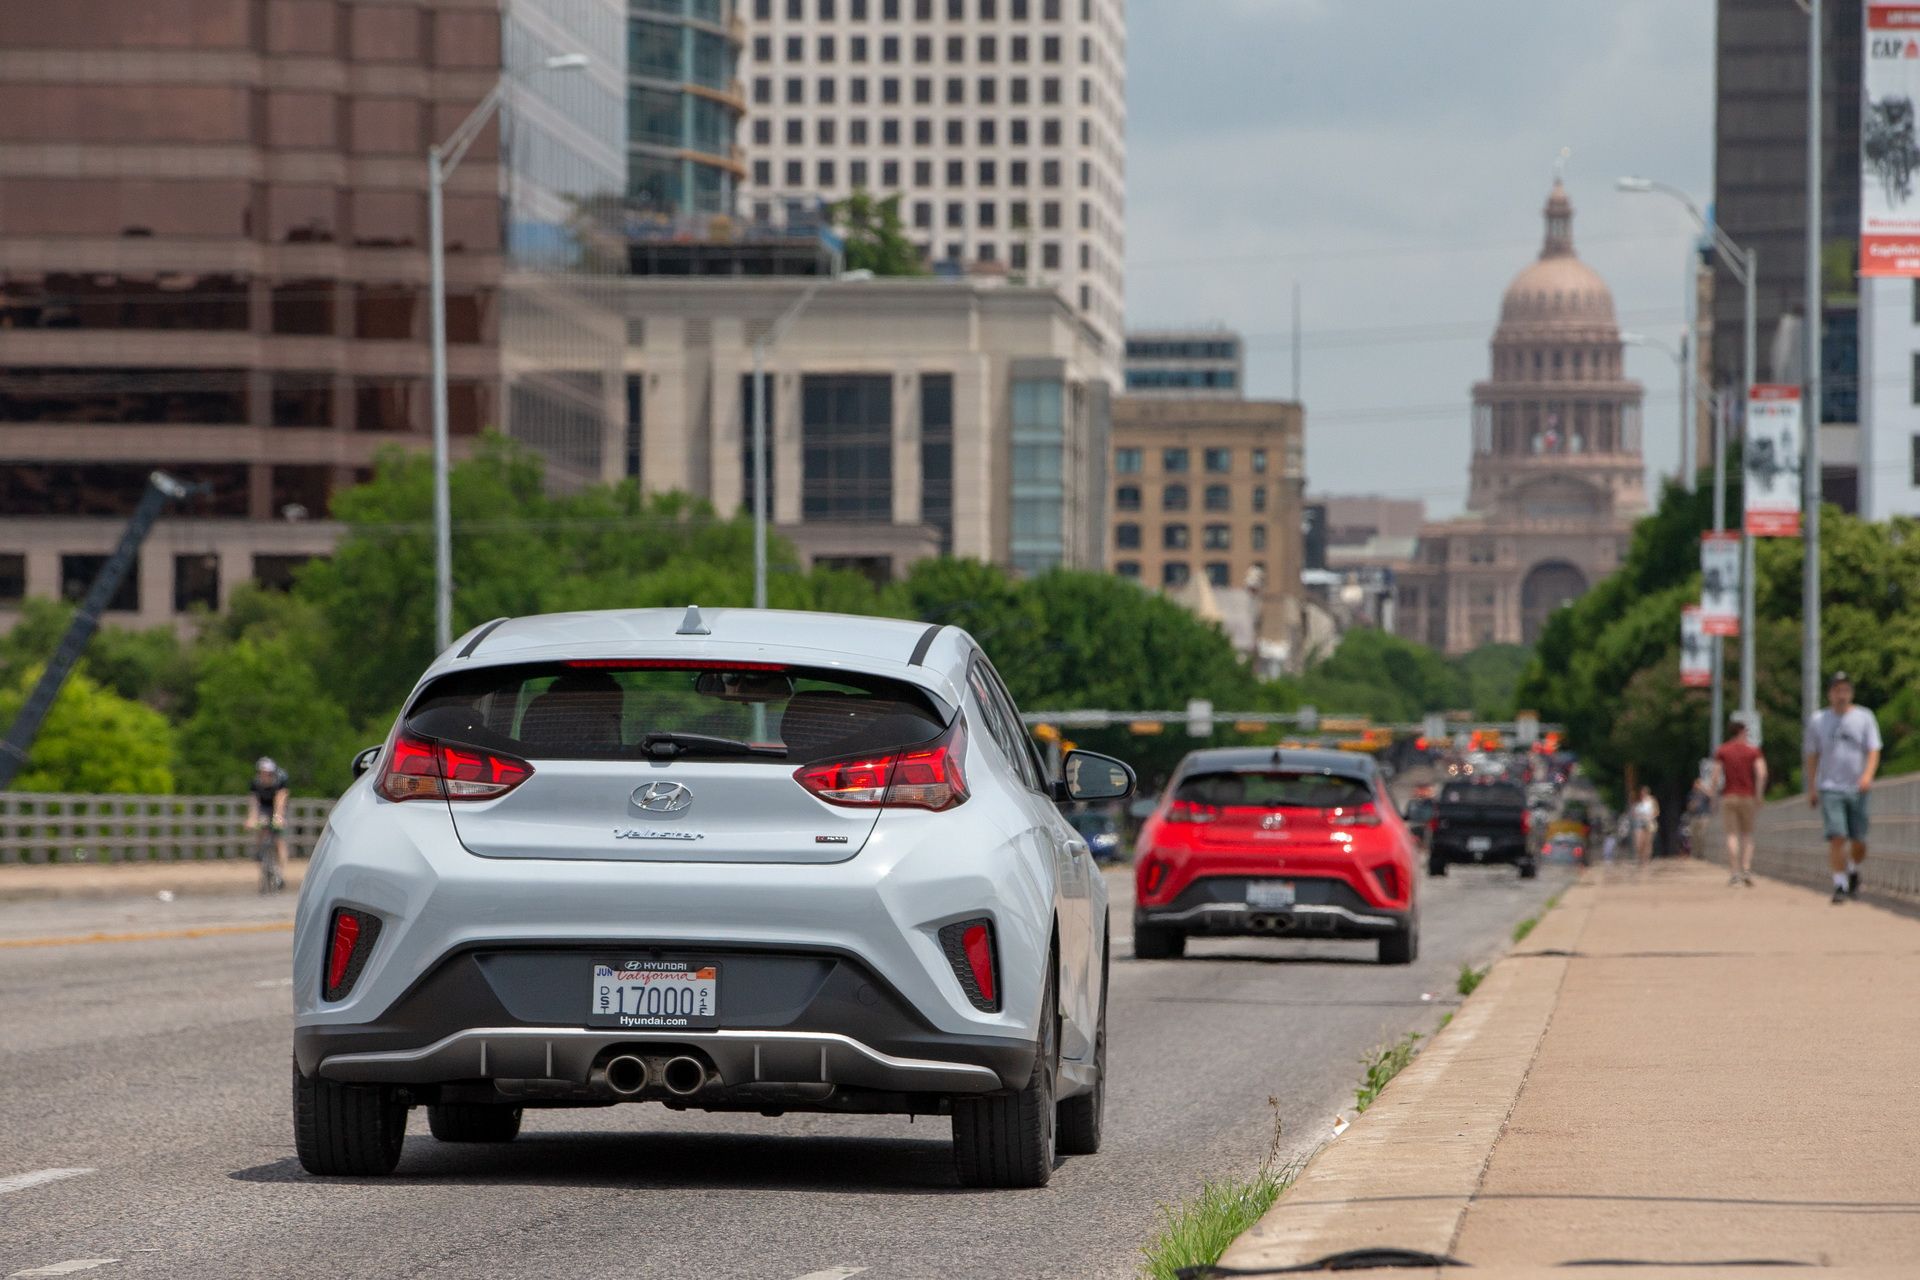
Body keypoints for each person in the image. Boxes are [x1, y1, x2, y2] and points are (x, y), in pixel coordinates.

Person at [1803, 671, 1882, 905]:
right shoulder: (1819, 720)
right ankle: (1839, 884)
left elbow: (1874, 749)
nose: (1841, 695)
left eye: (1845, 690)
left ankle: (1853, 869)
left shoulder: (1864, 717)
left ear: (1851, 693)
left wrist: (1867, 776)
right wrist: (1812, 786)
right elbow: (1812, 755)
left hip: (1858, 787)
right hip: (1830, 787)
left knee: (1859, 840)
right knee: (1837, 837)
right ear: (1830, 694)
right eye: (1837, 690)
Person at [1712, 717, 1767, 887]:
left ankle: (1734, 873)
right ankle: (1746, 869)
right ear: (1742, 732)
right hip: (1748, 796)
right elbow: (1761, 773)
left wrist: (1714, 797)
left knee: (1731, 835)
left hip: (1729, 796)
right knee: (1747, 835)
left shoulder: (1723, 750)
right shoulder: (1753, 751)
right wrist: (1758, 794)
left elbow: (1715, 776)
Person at [246, 755, 290, 893]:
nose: (265, 776)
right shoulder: (256, 783)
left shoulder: (280, 781)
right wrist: (252, 818)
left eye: (267, 773)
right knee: (261, 827)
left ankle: (280, 873)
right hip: (264, 808)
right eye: (262, 773)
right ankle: (259, 852)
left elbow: (280, 800)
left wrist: (278, 817)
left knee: (279, 841)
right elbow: (254, 803)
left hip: (278, 806)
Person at [1630, 786, 1659, 870]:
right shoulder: (1638, 802)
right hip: (1639, 823)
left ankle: (1646, 860)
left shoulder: (1652, 801)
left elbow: (1657, 811)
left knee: (1648, 842)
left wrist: (1650, 817)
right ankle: (1640, 858)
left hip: (1649, 822)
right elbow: (1633, 813)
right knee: (1639, 842)